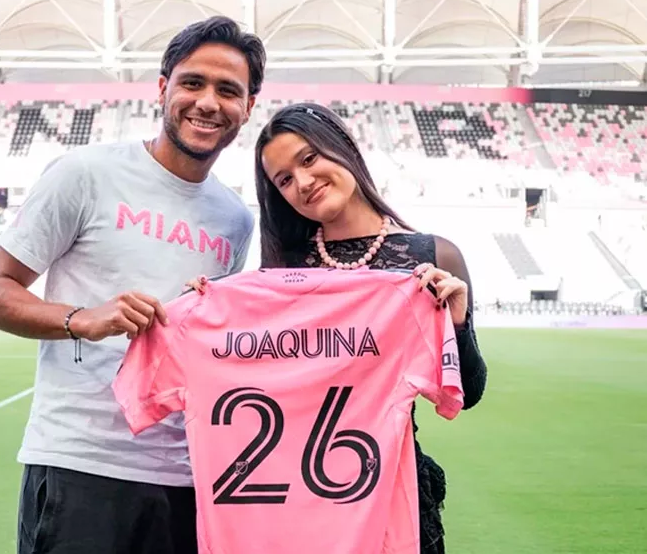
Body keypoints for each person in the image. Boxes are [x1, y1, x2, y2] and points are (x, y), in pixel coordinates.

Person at [0, 16, 266, 554]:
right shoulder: (85, 173)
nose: (207, 102)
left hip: (186, 477)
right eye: (192, 83)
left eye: (228, 90)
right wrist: (81, 318)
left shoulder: (235, 219)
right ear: (163, 88)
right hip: (81, 465)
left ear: (248, 107)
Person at [186, 103, 487, 554]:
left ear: (342, 145)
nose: (303, 182)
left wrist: (457, 322)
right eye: (284, 180)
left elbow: (468, 393)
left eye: (309, 159)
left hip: (393, 496)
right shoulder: (283, 268)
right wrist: (204, 311)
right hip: (302, 499)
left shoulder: (434, 257)